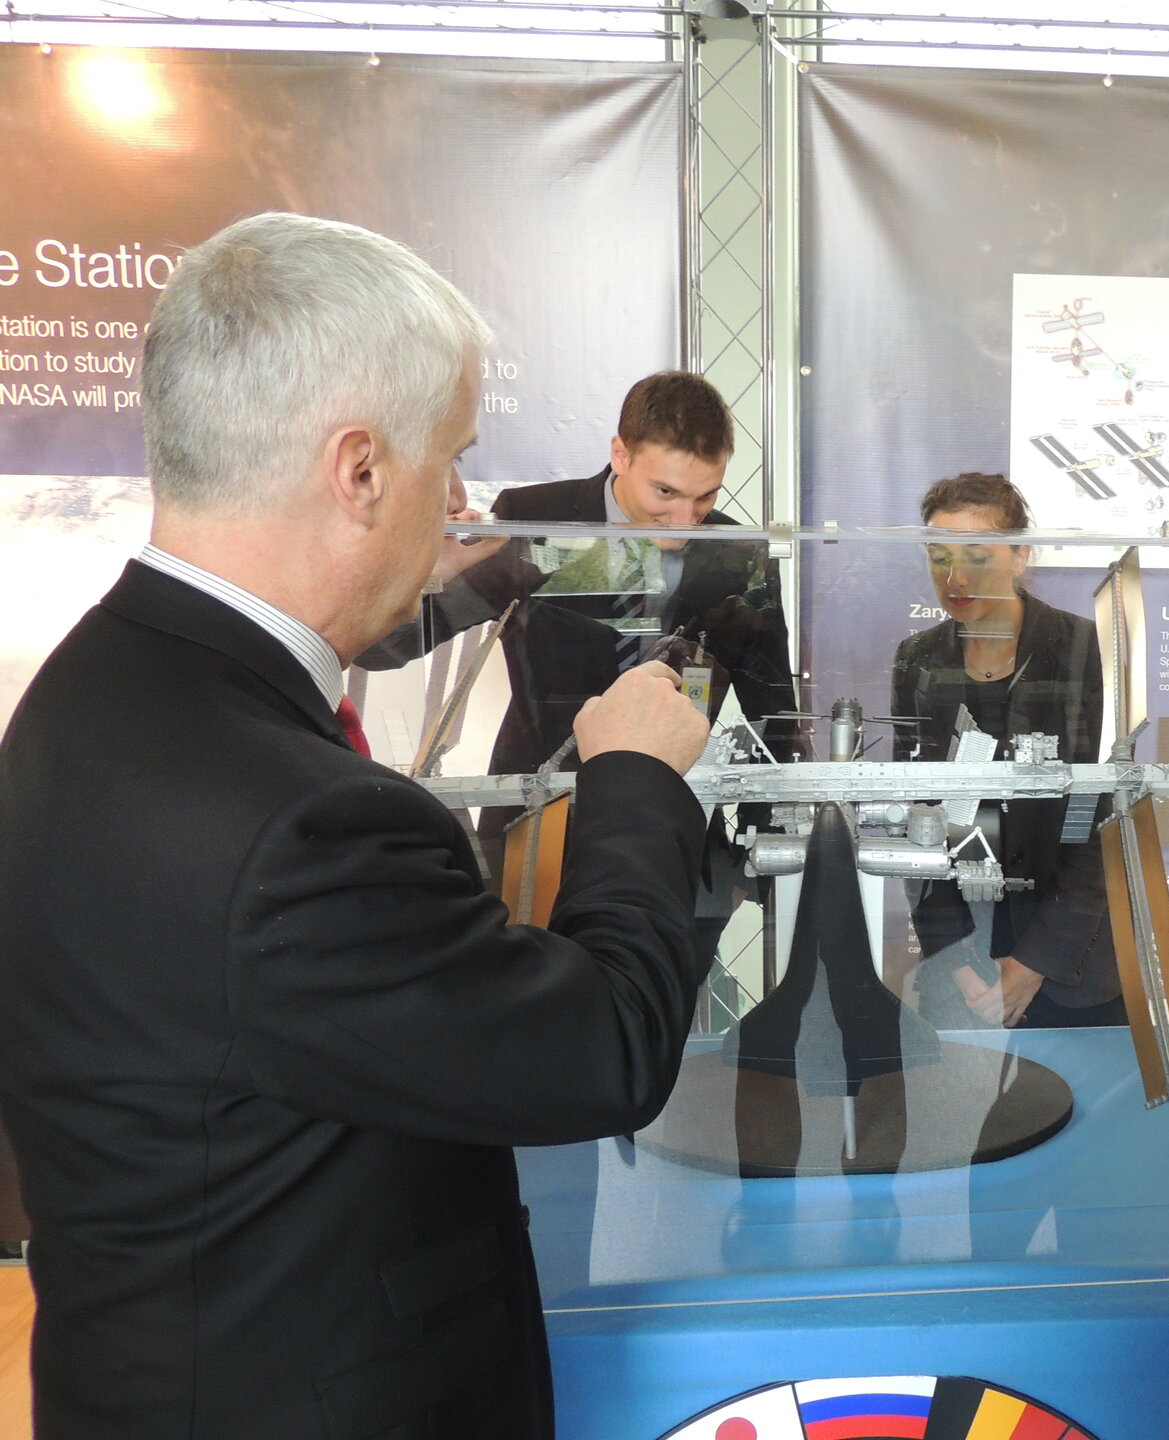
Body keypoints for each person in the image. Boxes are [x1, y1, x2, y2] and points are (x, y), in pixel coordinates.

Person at [0, 213, 714, 1439]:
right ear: (361, 469)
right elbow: (606, 1047)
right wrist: (635, 778)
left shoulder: (91, 691)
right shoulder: (301, 822)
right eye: (454, 458)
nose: (465, 501)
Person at [362, 370, 798, 958]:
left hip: (675, 832)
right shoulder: (536, 518)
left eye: (706, 497)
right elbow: (384, 646)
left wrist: (756, 863)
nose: (684, 521)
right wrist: (430, 569)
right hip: (535, 817)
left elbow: (776, 712)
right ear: (620, 453)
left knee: (651, 1023)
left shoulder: (736, 552)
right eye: (665, 494)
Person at [890, 473, 1120, 1029]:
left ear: (1020, 555)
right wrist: (961, 961)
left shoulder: (1084, 648)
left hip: (1071, 964)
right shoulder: (917, 659)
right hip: (962, 967)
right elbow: (912, 817)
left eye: (977, 555)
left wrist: (1032, 964)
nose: (955, 576)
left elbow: (1103, 819)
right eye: (939, 556)